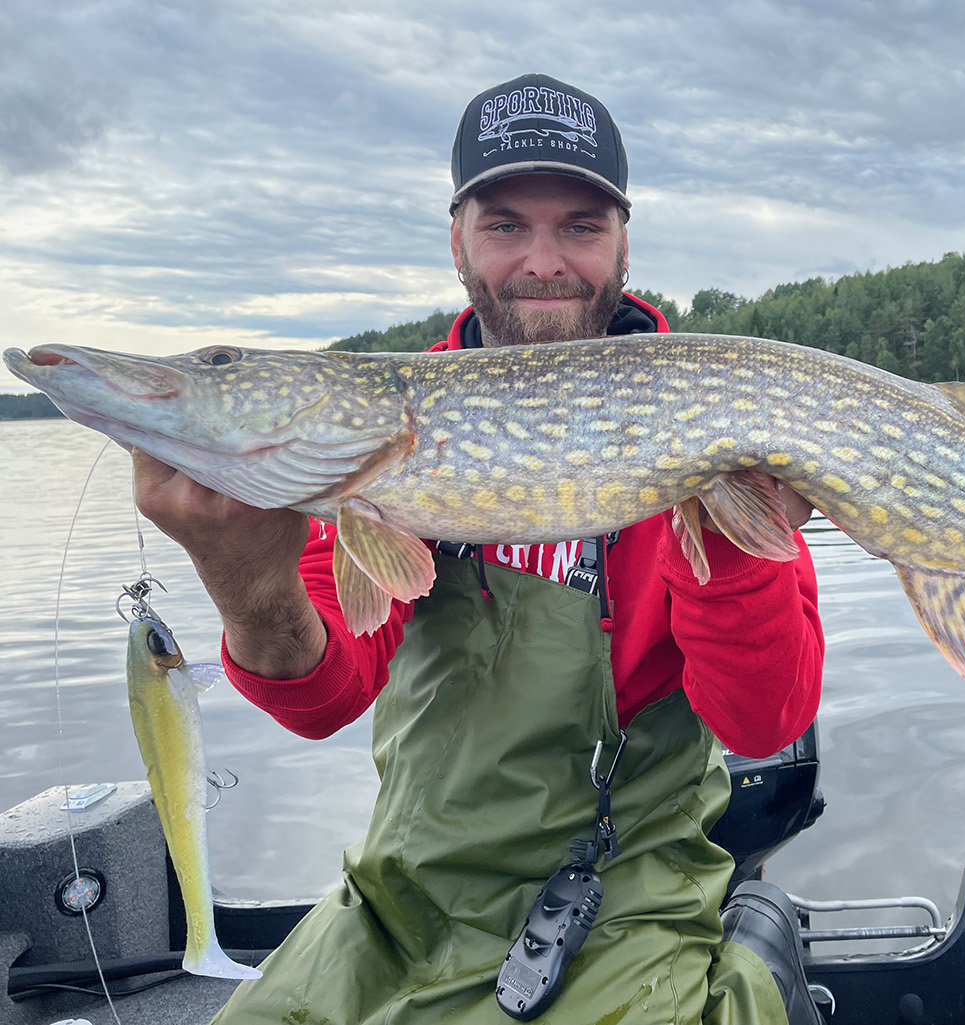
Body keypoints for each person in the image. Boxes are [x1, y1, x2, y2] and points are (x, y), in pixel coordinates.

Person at [134, 73, 826, 1025]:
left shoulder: (707, 400)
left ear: (624, 241)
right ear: (457, 238)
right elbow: (320, 696)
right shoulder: (387, 430)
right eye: (506, 225)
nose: (544, 261)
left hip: (631, 893)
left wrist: (741, 536)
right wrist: (241, 573)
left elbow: (762, 721)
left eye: (580, 225)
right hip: (408, 894)